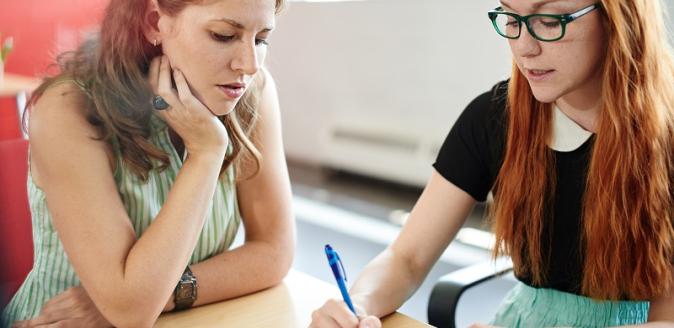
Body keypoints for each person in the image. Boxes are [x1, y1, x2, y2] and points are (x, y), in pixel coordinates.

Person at [310, 0, 674, 327]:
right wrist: (357, 306)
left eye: (549, 20)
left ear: (617, 16)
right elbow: (407, 257)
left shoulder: (665, 134)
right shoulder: (495, 117)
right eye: (511, 18)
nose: (524, 47)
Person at [1, 0, 295, 327]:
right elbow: (132, 312)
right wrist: (206, 152)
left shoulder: (251, 91)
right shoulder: (68, 109)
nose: (249, 64)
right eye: (224, 35)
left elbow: (274, 251)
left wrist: (165, 294)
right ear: (155, 22)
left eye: (261, 39)